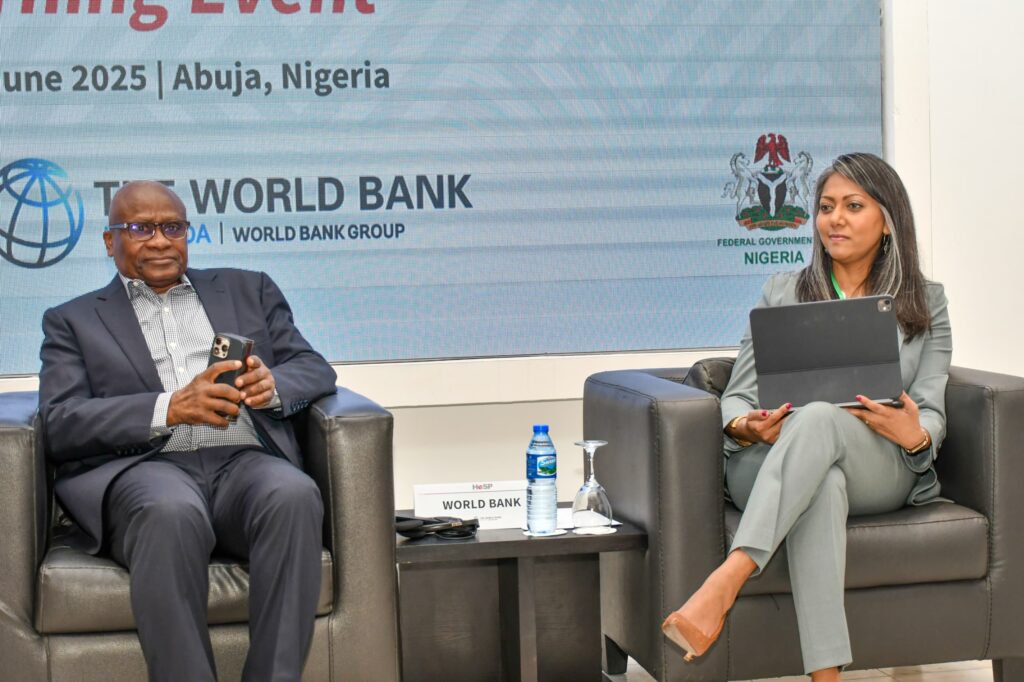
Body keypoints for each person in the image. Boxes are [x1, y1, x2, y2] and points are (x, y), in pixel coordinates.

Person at [660, 153, 952, 680]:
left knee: (819, 422)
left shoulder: (926, 302)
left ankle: (727, 578)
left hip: (880, 463)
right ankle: (826, 677)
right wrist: (743, 426)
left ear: (888, 220)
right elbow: (738, 397)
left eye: (853, 206)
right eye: (825, 207)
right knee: (822, 483)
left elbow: (932, 408)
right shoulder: (783, 291)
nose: (834, 219)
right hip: (772, 458)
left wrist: (917, 435)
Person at [38, 181, 339, 682]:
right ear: (111, 242)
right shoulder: (72, 320)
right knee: (169, 512)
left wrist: (273, 385)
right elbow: (61, 421)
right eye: (140, 228)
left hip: (244, 460)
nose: (159, 240)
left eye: (172, 227)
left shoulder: (249, 288)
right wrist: (169, 407)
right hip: (149, 467)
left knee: (293, 494)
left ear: (187, 234)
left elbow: (314, 368)